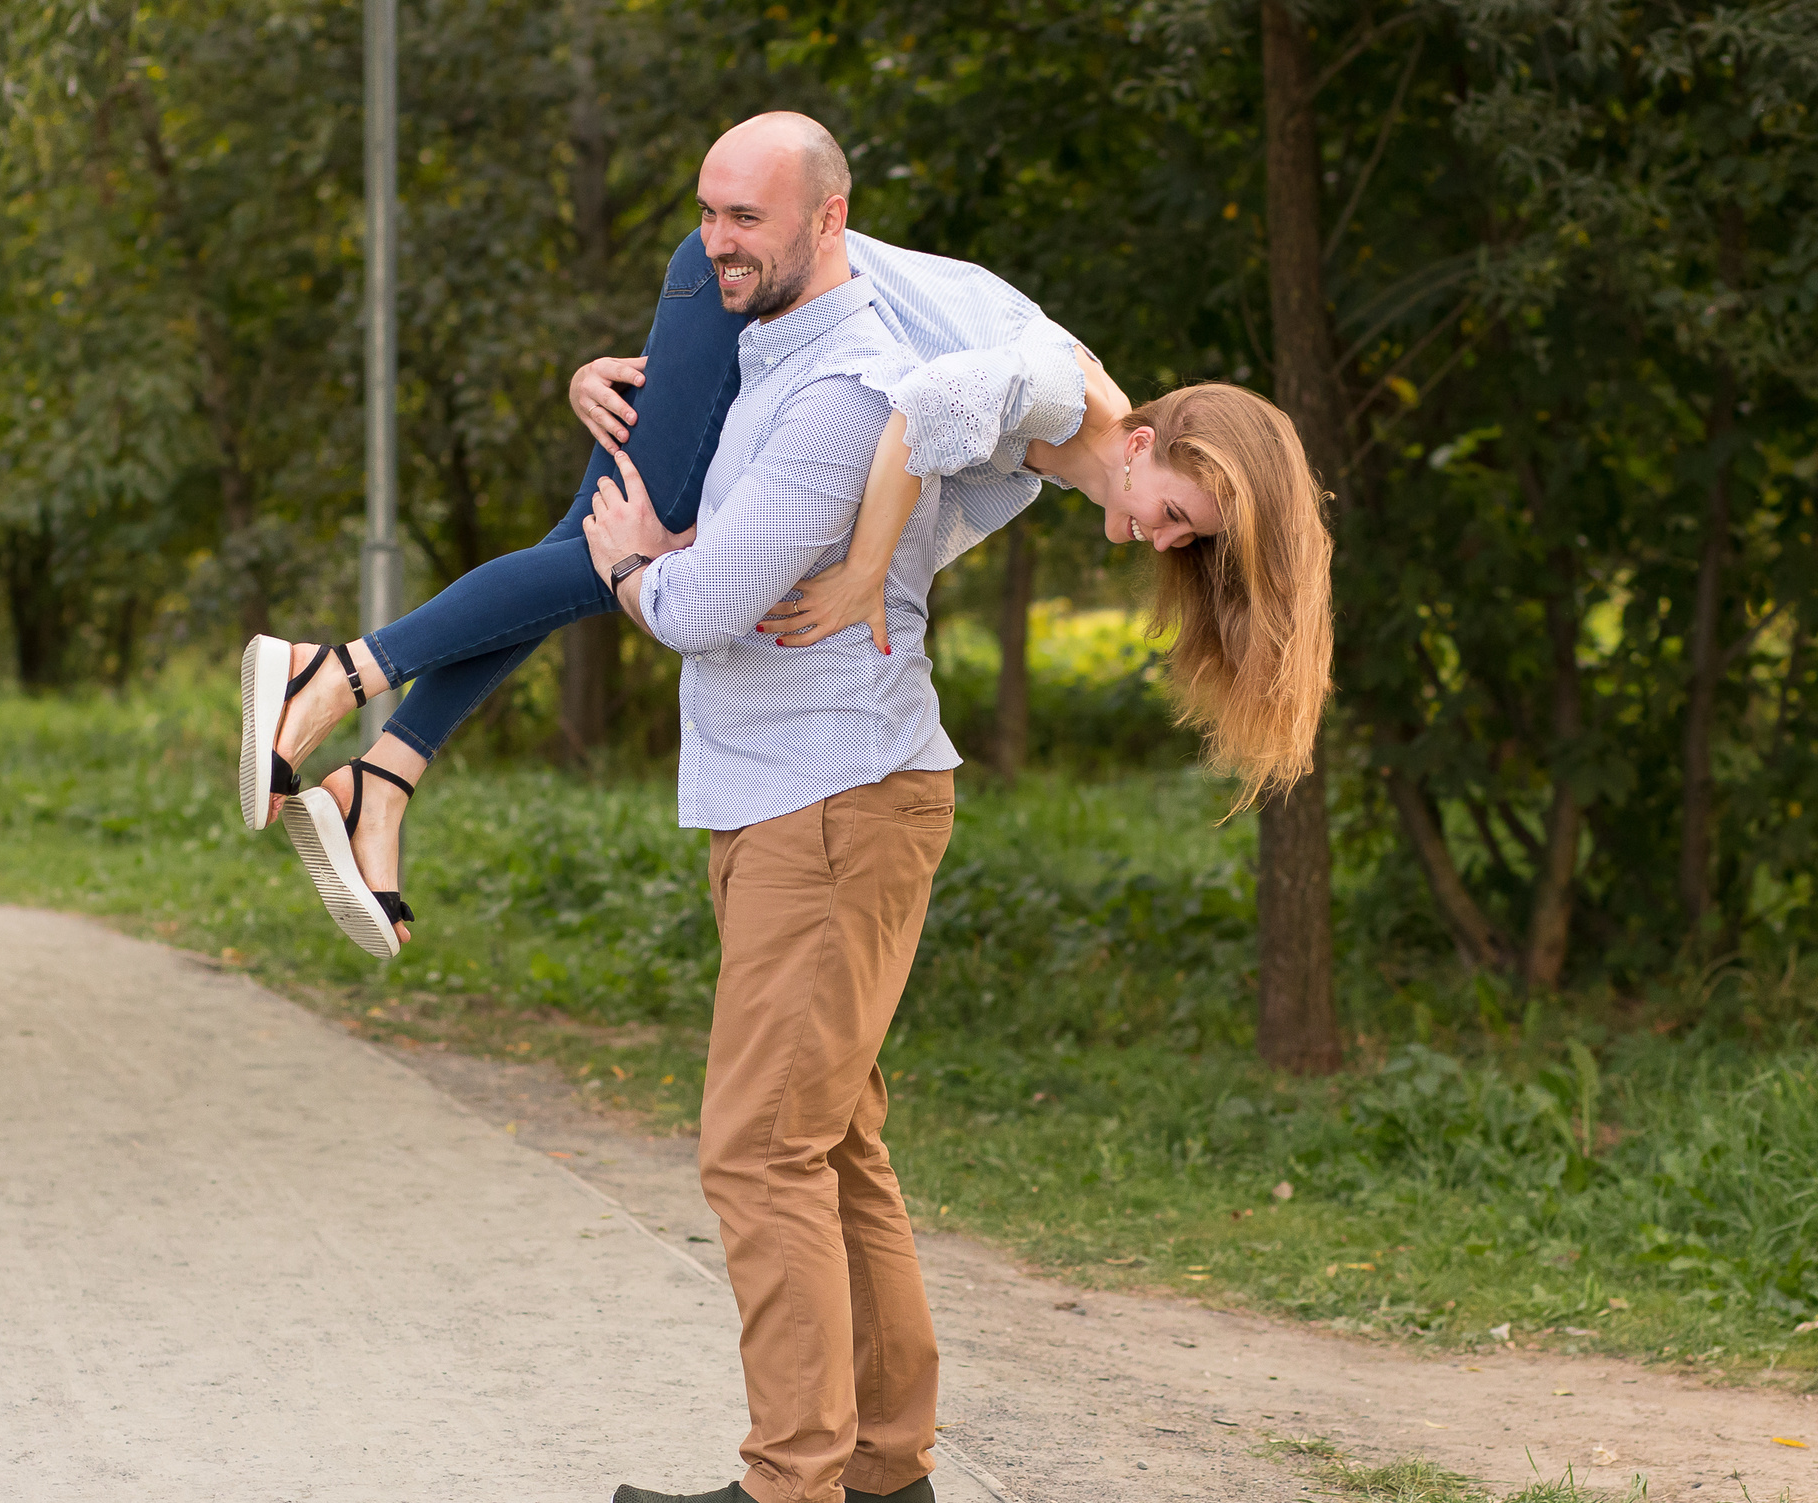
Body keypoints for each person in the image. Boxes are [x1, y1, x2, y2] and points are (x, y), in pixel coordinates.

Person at [236, 173, 1331, 964]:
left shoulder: (1030, 472)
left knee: (591, 551)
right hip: (756, 287)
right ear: (1146, 445)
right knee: (601, 553)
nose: (1167, 540)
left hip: (776, 353)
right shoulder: (1053, 388)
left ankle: (381, 779)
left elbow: (882, 487)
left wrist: (758, 534)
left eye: (1190, 543)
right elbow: (909, 416)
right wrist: (855, 577)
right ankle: (332, 673)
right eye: (1180, 514)